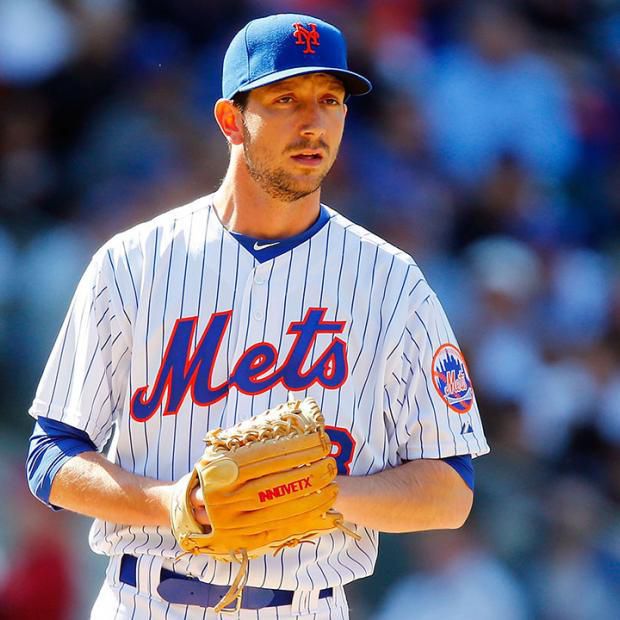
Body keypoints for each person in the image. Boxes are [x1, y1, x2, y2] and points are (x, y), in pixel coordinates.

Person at [26, 13, 489, 619]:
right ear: (230, 119)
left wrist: (313, 493)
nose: (313, 122)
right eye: (285, 99)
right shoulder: (133, 263)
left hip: (304, 605)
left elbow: (450, 491)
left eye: (330, 100)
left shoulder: (391, 283)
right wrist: (172, 503)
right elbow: (51, 456)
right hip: (148, 599)